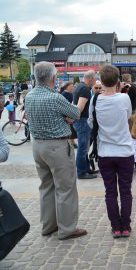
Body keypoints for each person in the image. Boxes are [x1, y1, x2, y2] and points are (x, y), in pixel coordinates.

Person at [25, 61, 86, 240]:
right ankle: (67, 229)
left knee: (46, 186)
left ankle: (48, 226)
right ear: (53, 77)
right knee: (65, 188)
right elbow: (75, 113)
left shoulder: (29, 96)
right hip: (57, 146)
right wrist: (66, 117)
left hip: (38, 146)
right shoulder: (55, 97)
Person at [88, 65, 135, 238]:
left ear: (101, 80)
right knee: (125, 191)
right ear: (117, 81)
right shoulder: (124, 98)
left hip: (105, 153)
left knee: (110, 192)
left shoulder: (95, 100)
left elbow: (91, 123)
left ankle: (116, 227)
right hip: (124, 152)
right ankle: (126, 226)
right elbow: (129, 116)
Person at [73, 70, 97, 179]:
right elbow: (79, 107)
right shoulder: (85, 89)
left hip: (80, 120)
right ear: (91, 78)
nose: (96, 81)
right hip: (82, 121)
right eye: (95, 78)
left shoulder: (80, 86)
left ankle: (87, 168)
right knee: (83, 148)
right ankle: (82, 172)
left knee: (85, 147)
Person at [61, 82, 77, 148]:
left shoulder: (70, 93)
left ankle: (72, 142)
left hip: (70, 113)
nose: (73, 87)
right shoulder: (65, 94)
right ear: (67, 86)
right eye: (71, 86)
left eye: (73, 86)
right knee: (70, 129)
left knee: (71, 129)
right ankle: (71, 143)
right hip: (67, 114)